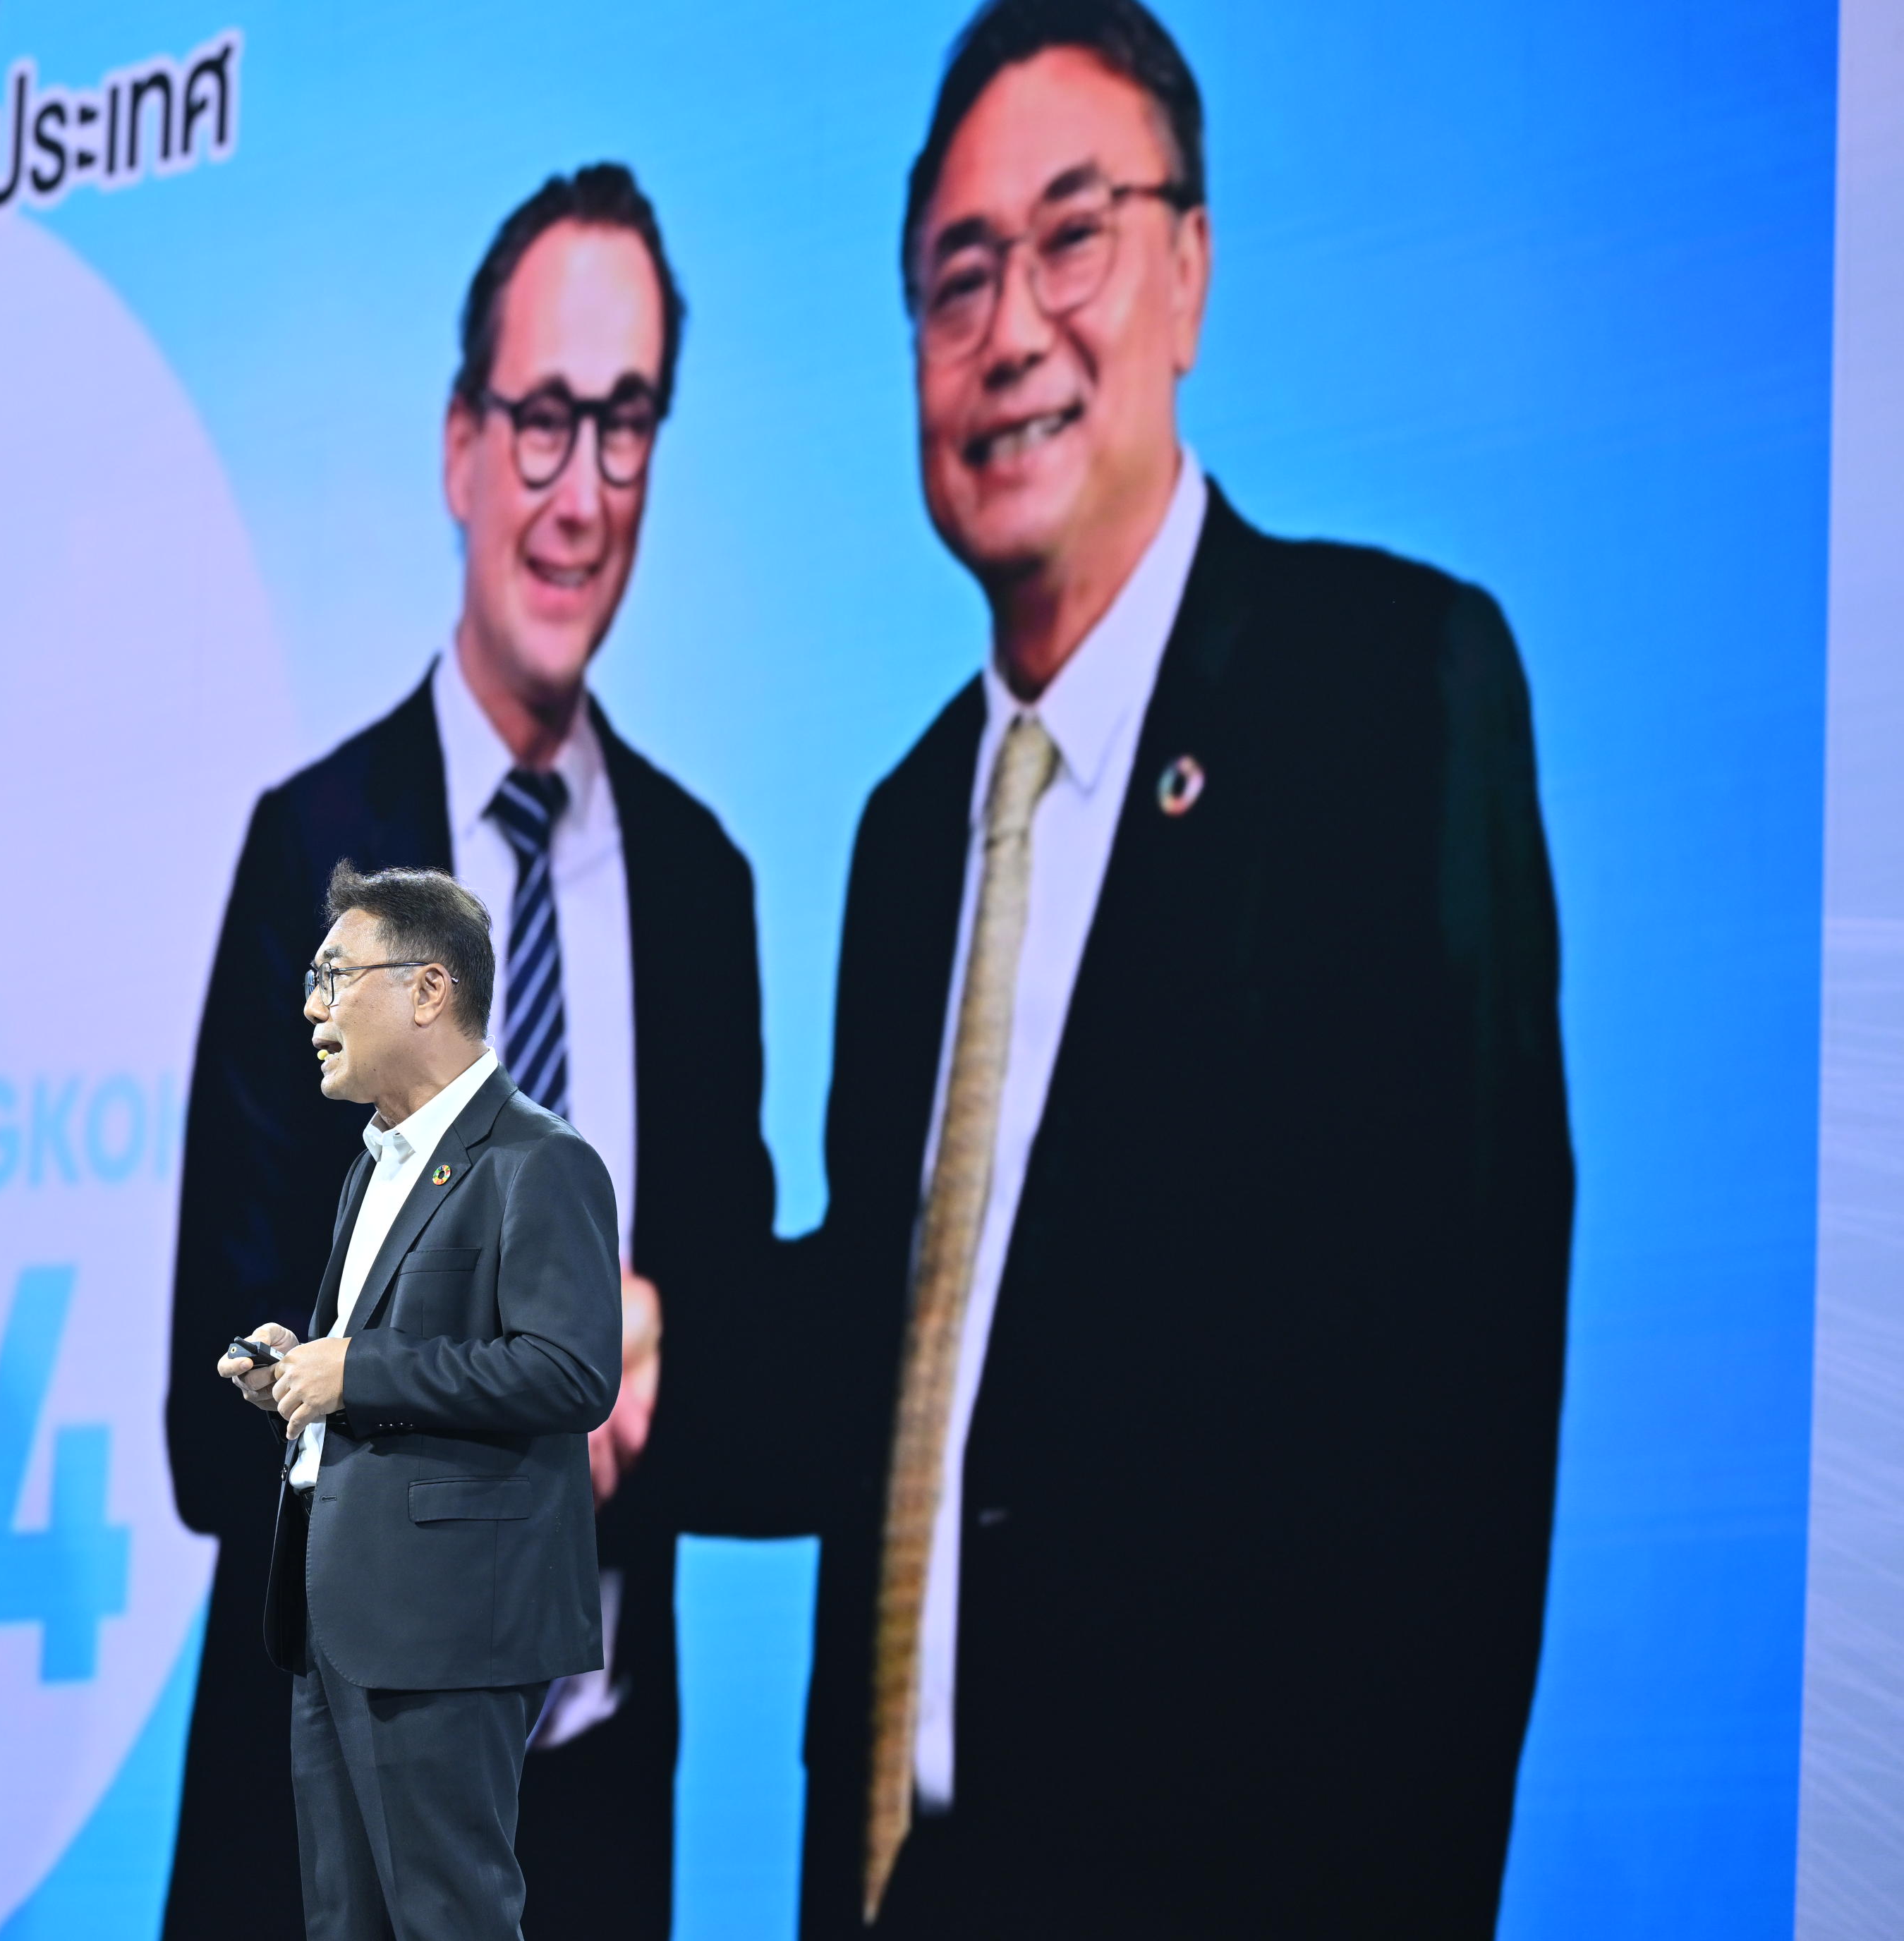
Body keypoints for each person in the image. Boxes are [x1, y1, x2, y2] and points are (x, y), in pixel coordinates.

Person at [792, 2, 1575, 1933]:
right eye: (956, 275)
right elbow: (887, 1347)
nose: (1010, 328)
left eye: (1073, 238)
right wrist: (616, 1346)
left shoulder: (1388, 699)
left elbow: (1465, 1457)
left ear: (1190, 271)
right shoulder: (907, 832)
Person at [162, 164, 775, 1940]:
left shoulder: (704, 888)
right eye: (542, 421)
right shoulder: (313, 855)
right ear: (459, 445)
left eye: (626, 426)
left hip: (595, 1830)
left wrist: (664, 1361)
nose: (581, 491)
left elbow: (726, 1358)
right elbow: (211, 1420)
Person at [218, 863, 621, 1940]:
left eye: (335, 976)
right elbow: (386, 1357)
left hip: (444, 1622)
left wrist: (356, 1372)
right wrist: (298, 1367)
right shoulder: (374, 1167)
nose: (313, 1007)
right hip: (340, 1614)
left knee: (451, 1920)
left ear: (428, 990)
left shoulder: (539, 1161)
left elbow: (572, 1373)